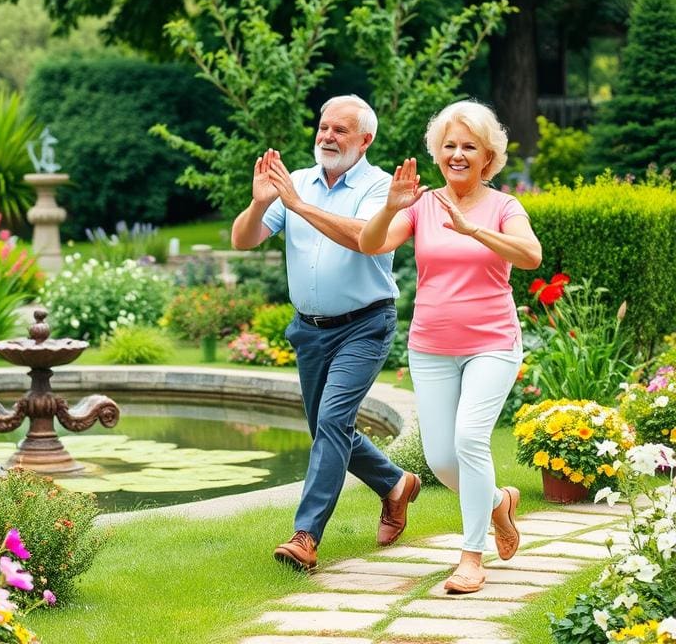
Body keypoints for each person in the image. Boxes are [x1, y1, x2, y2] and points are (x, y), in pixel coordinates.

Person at [357, 100, 542, 594]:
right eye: (449, 146)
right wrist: (390, 207)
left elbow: (531, 255)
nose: (457, 154)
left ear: (488, 156)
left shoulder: (504, 206)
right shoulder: (421, 205)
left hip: (492, 343)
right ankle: (499, 503)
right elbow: (370, 244)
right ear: (437, 154)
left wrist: (473, 229)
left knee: (469, 441)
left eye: (469, 146)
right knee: (440, 460)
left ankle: (470, 555)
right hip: (431, 345)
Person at [231, 94, 421, 572]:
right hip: (310, 330)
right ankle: (396, 484)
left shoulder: (382, 187)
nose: (327, 137)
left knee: (332, 423)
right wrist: (259, 207)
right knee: (325, 429)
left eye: (340, 130)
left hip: (364, 326)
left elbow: (363, 238)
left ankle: (305, 536)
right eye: (323, 128)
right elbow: (242, 239)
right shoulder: (296, 181)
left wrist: (297, 204)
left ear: (365, 139)